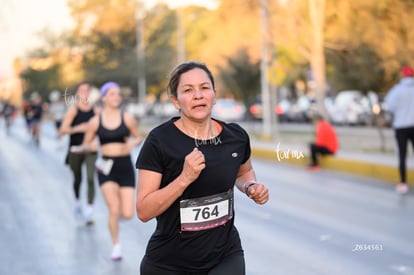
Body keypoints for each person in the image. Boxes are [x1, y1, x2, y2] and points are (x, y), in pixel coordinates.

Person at [135, 61, 270, 275]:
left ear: (214, 95)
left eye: (204, 88)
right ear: (175, 101)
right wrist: (184, 178)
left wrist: (251, 186)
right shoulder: (159, 141)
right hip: (169, 264)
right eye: (188, 90)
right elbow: (143, 210)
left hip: (225, 257)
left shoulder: (235, 137)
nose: (198, 95)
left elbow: (243, 172)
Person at [78, 81, 142, 261]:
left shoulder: (127, 118)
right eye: (113, 94)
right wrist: (93, 144)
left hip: (125, 166)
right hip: (106, 167)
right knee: (114, 209)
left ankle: (115, 220)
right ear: (104, 97)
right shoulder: (95, 121)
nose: (117, 97)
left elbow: (138, 137)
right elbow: (86, 143)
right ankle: (116, 246)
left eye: (118, 94)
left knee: (128, 213)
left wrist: (133, 142)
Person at [58, 81, 100, 224]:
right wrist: (79, 128)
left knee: (90, 178)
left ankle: (89, 210)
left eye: (87, 90)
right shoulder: (73, 110)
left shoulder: (95, 111)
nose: (85, 93)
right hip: (75, 149)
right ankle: (77, 203)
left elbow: (103, 128)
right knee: (77, 179)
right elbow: (62, 130)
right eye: (82, 91)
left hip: (90, 150)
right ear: (77, 93)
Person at [384, 65, 414, 194]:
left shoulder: (396, 90)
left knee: (402, 155)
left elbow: (390, 107)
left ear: (403, 75)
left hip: (400, 126)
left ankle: (403, 182)